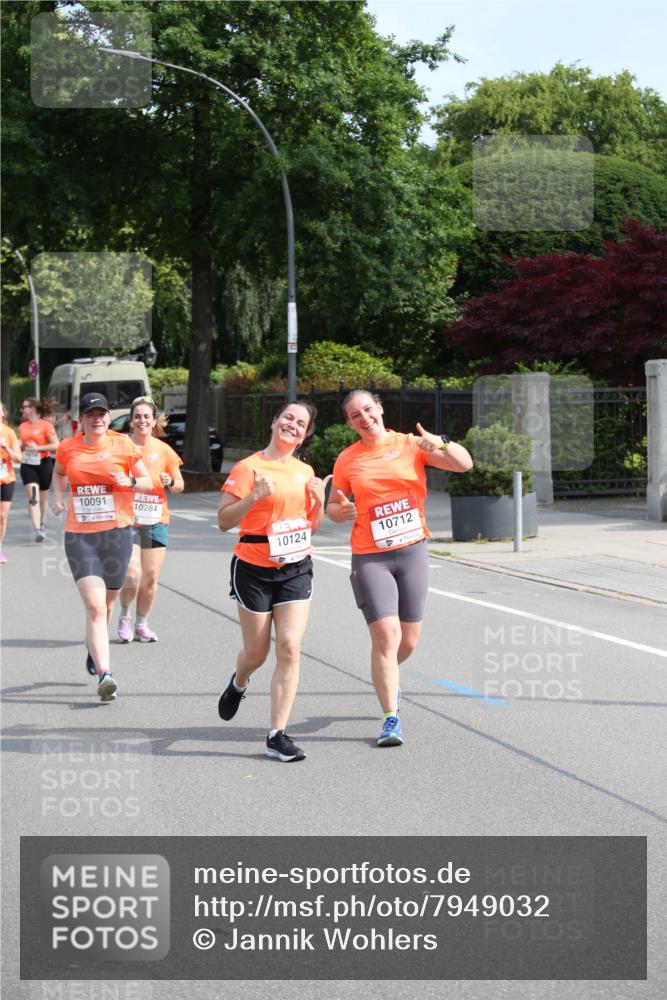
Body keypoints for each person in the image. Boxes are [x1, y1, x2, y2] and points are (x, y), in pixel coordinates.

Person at [328, 389, 473, 747]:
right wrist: (341, 512)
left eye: (367, 409)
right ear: (349, 423)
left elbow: (463, 464)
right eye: (354, 415)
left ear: (379, 409)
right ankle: (391, 718)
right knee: (387, 637)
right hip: (370, 556)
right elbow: (333, 507)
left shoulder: (410, 444)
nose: (364, 418)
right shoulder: (347, 460)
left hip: (412, 551)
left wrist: (440, 443)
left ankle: (386, 672)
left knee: (408, 641)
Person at [216, 400, 326, 762]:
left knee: (290, 647)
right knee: (257, 653)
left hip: (296, 566)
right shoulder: (248, 467)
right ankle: (239, 681)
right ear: (275, 421)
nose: (292, 425)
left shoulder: (304, 470)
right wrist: (254, 497)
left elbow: (310, 526)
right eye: (287, 418)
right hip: (253, 566)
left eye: (300, 423)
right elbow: (224, 521)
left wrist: (320, 501)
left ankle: (277, 734)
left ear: (305, 433)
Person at [51, 392, 152, 702]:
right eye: (90, 414)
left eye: (102, 413)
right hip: (80, 536)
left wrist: (129, 482)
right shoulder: (68, 448)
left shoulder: (123, 445)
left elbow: (148, 482)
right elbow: (57, 473)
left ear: (109, 417)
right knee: (95, 607)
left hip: (116, 535)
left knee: (107, 605)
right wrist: (58, 497)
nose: (97, 419)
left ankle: (94, 651)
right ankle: (106, 676)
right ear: (80, 419)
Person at [116, 396, 184, 643]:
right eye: (137, 416)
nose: (142, 420)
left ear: (154, 420)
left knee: (151, 576)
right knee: (132, 573)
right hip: (126, 518)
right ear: (131, 420)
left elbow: (179, 485)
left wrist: (171, 482)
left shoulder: (164, 450)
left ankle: (142, 623)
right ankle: (124, 616)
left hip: (156, 519)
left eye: (147, 416)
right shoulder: (120, 445)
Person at [18, 397, 59, 542]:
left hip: (44, 463)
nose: (23, 409)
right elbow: (21, 445)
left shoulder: (45, 426)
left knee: (43, 499)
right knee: (33, 497)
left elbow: (56, 445)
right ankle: (37, 530)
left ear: (33, 408)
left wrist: (38, 448)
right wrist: (21, 447)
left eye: (25, 406)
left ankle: (41, 524)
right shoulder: (22, 426)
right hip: (28, 464)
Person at [0, 402, 23, 564]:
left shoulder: (9, 433)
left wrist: (6, 448)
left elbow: (19, 458)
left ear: (3, 413)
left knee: (2, 516)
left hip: (6, 479)